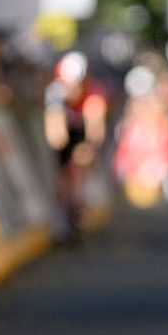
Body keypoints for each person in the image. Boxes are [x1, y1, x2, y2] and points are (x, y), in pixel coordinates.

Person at [43, 50, 108, 236]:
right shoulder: (55, 93)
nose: (75, 90)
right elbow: (56, 135)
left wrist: (88, 150)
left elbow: (96, 129)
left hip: (82, 132)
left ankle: (80, 201)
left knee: (83, 160)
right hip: (66, 132)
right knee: (63, 170)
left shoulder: (94, 92)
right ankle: (64, 209)